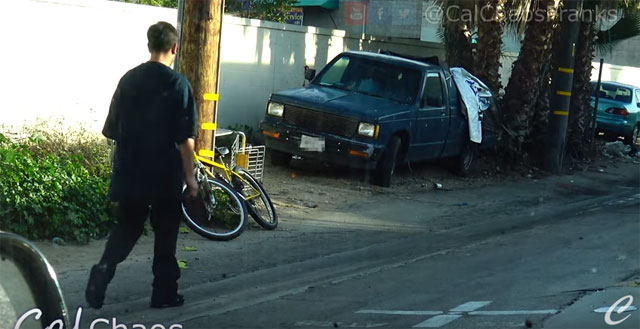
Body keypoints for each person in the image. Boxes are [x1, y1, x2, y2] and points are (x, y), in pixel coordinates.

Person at [85, 21, 199, 309]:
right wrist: (191, 177)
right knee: (166, 231)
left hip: (130, 169)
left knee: (128, 226)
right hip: (164, 172)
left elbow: (111, 131)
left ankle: (104, 268)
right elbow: (185, 138)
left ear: (149, 45)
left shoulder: (129, 80)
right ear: (174, 47)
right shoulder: (178, 84)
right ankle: (163, 292)